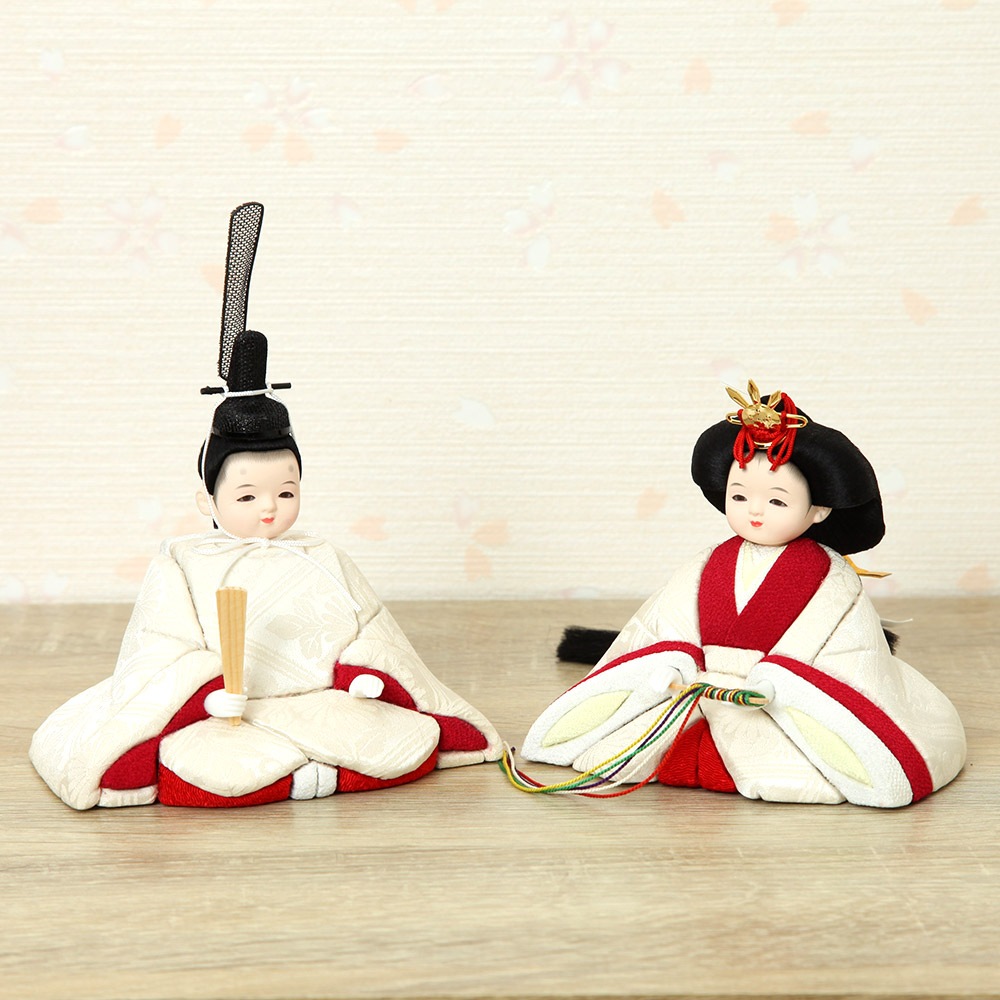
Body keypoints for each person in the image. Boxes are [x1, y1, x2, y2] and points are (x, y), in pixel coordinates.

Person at [29, 204, 501, 809]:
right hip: (223, 711)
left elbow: (372, 631)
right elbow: (161, 647)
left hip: (326, 704)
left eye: (286, 491)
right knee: (214, 764)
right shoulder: (183, 561)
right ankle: (302, 770)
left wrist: (362, 677)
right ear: (208, 497)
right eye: (247, 495)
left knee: (399, 740)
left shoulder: (322, 555)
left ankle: (313, 770)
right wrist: (206, 695)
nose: (270, 509)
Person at [520, 382, 965, 807]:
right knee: (624, 751)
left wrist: (777, 683)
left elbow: (850, 654)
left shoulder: (833, 580)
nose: (754, 511)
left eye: (776, 501)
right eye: (739, 496)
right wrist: (672, 668)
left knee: (791, 767)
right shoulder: (705, 564)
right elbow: (661, 629)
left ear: (819, 509)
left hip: (772, 704)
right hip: (692, 698)